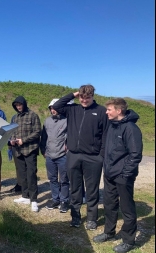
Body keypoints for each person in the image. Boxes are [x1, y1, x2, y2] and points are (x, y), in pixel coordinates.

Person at [52, 84, 109, 229]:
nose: (84, 100)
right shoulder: (73, 109)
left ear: (93, 96)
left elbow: (105, 135)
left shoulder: (101, 111)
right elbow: (57, 105)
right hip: (73, 156)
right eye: (82, 97)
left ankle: (92, 219)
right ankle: (75, 217)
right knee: (75, 189)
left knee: (92, 189)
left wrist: (101, 155)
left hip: (93, 157)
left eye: (87, 98)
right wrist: (73, 94)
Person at [93, 98, 143, 253]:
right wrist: (107, 168)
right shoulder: (112, 126)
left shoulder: (130, 128)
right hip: (109, 174)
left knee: (127, 208)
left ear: (119, 111)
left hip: (123, 175)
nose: (106, 112)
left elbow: (135, 154)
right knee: (109, 204)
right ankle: (109, 232)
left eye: (109, 109)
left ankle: (128, 240)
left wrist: (126, 173)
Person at [10, 96, 41, 212]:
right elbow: (12, 132)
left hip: (30, 150)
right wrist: (12, 140)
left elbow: (37, 132)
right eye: (16, 105)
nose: (18, 107)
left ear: (24, 104)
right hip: (18, 150)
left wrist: (24, 140)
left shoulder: (33, 115)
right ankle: (25, 196)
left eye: (20, 105)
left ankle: (34, 200)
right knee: (21, 175)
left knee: (31, 174)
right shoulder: (15, 118)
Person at [40, 98, 70, 213]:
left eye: (55, 108)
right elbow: (44, 137)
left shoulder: (67, 121)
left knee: (64, 180)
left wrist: (68, 148)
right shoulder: (47, 121)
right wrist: (43, 151)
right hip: (49, 156)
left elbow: (71, 136)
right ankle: (55, 199)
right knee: (52, 179)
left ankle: (64, 201)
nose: (53, 110)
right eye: (51, 108)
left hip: (62, 155)